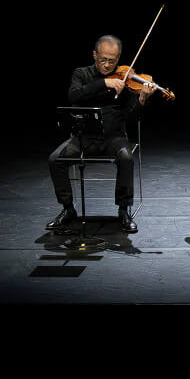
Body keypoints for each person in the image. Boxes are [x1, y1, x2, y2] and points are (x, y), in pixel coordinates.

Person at [49, 35, 153, 233]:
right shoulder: (81, 74)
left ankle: (123, 211)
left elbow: (131, 116)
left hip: (114, 138)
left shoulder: (125, 79)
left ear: (118, 58)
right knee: (55, 159)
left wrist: (142, 99)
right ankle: (68, 209)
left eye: (112, 61)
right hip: (83, 137)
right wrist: (104, 83)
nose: (106, 65)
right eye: (103, 59)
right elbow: (74, 95)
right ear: (94, 55)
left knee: (126, 158)